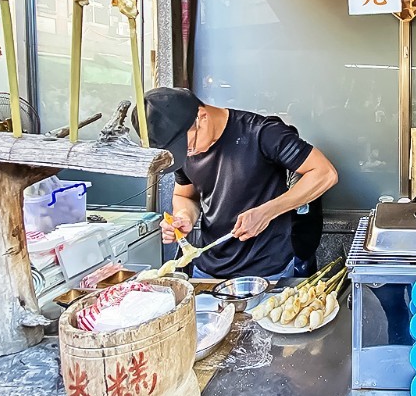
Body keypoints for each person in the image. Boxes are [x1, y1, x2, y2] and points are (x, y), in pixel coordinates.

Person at [134, 87, 339, 280]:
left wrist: (267, 212)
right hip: (207, 269)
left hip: (267, 270)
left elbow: (324, 173)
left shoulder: (261, 132)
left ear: (201, 117)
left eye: (188, 148)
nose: (190, 154)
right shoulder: (185, 150)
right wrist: (183, 217)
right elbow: (185, 195)